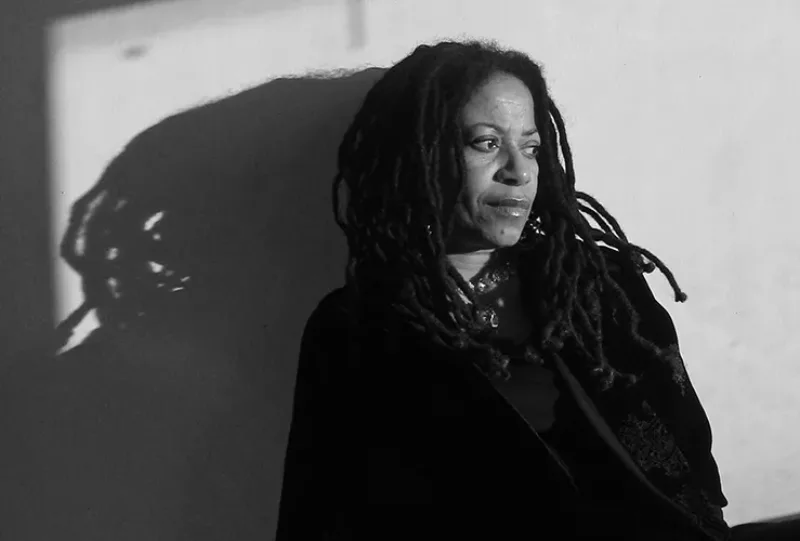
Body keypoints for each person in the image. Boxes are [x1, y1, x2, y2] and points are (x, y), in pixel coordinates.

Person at [275, 40, 798, 540]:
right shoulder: (357, 332)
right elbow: (324, 515)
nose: (519, 172)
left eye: (531, 146)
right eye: (486, 143)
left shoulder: (596, 289)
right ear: (419, 157)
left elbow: (687, 451)